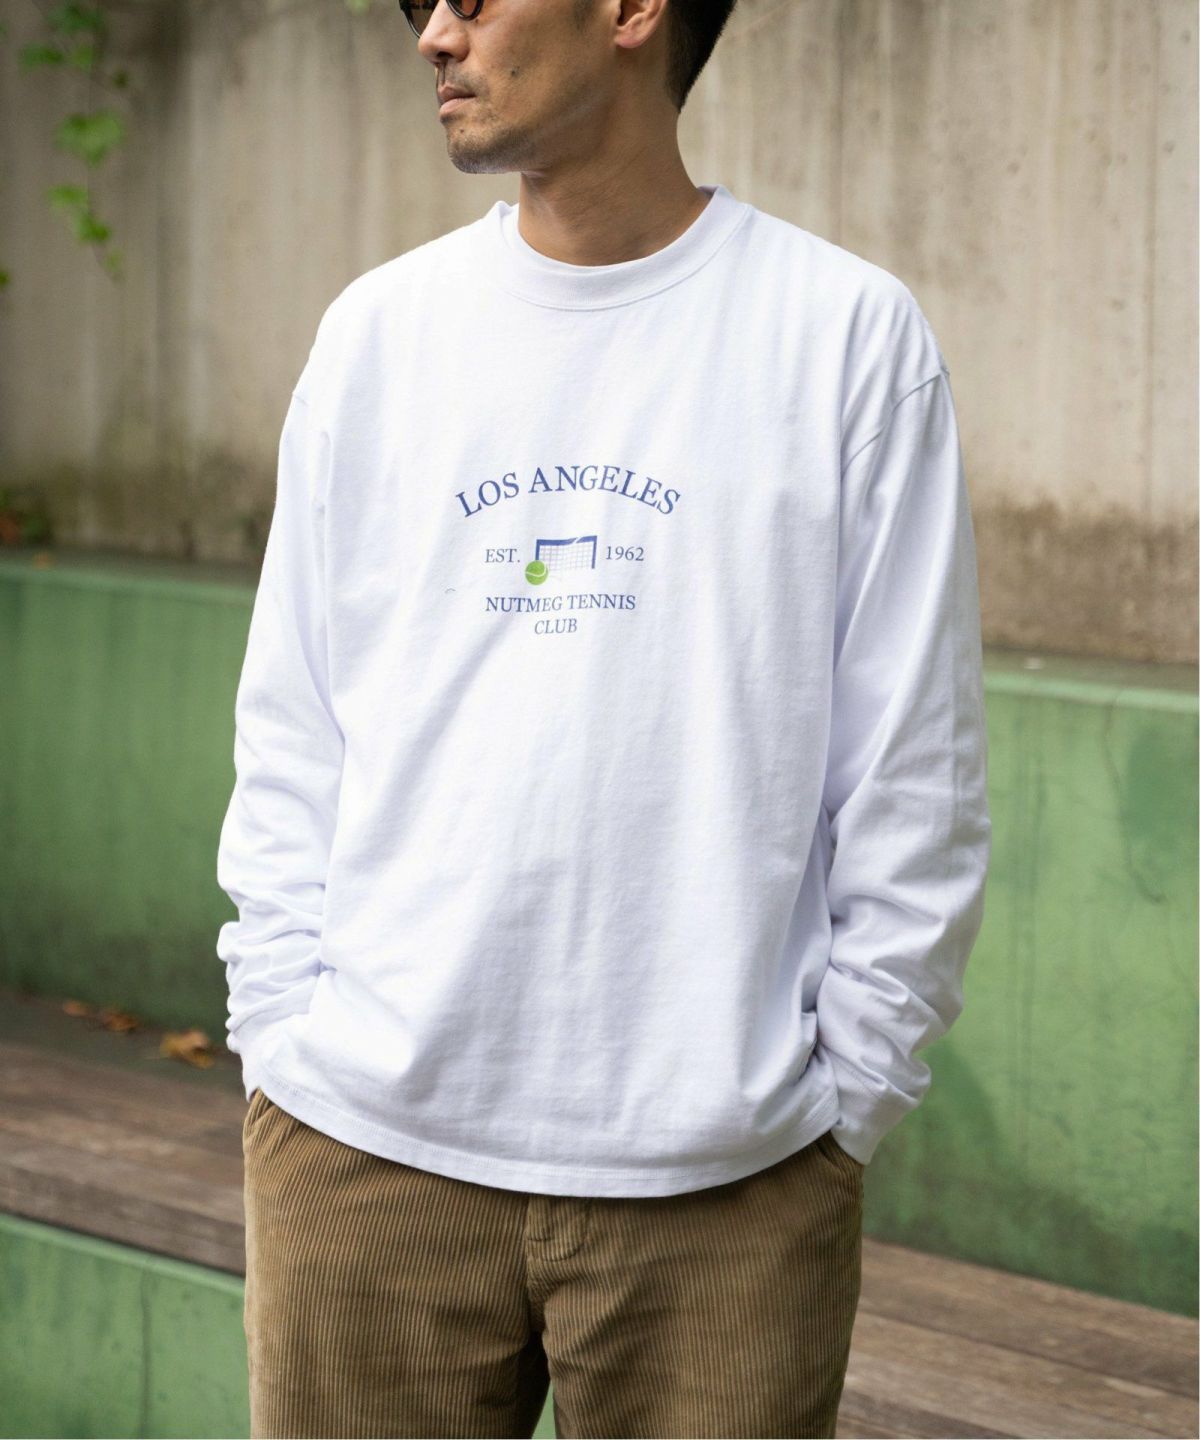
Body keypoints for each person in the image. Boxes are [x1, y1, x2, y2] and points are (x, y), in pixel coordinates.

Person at [217, 0, 992, 1435]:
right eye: (420, 4)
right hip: (363, 1149)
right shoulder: (381, 335)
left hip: (726, 1185)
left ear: (634, 10)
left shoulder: (843, 337)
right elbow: (293, 730)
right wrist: (281, 1034)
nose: (433, 36)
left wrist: (846, 1102)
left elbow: (914, 767)